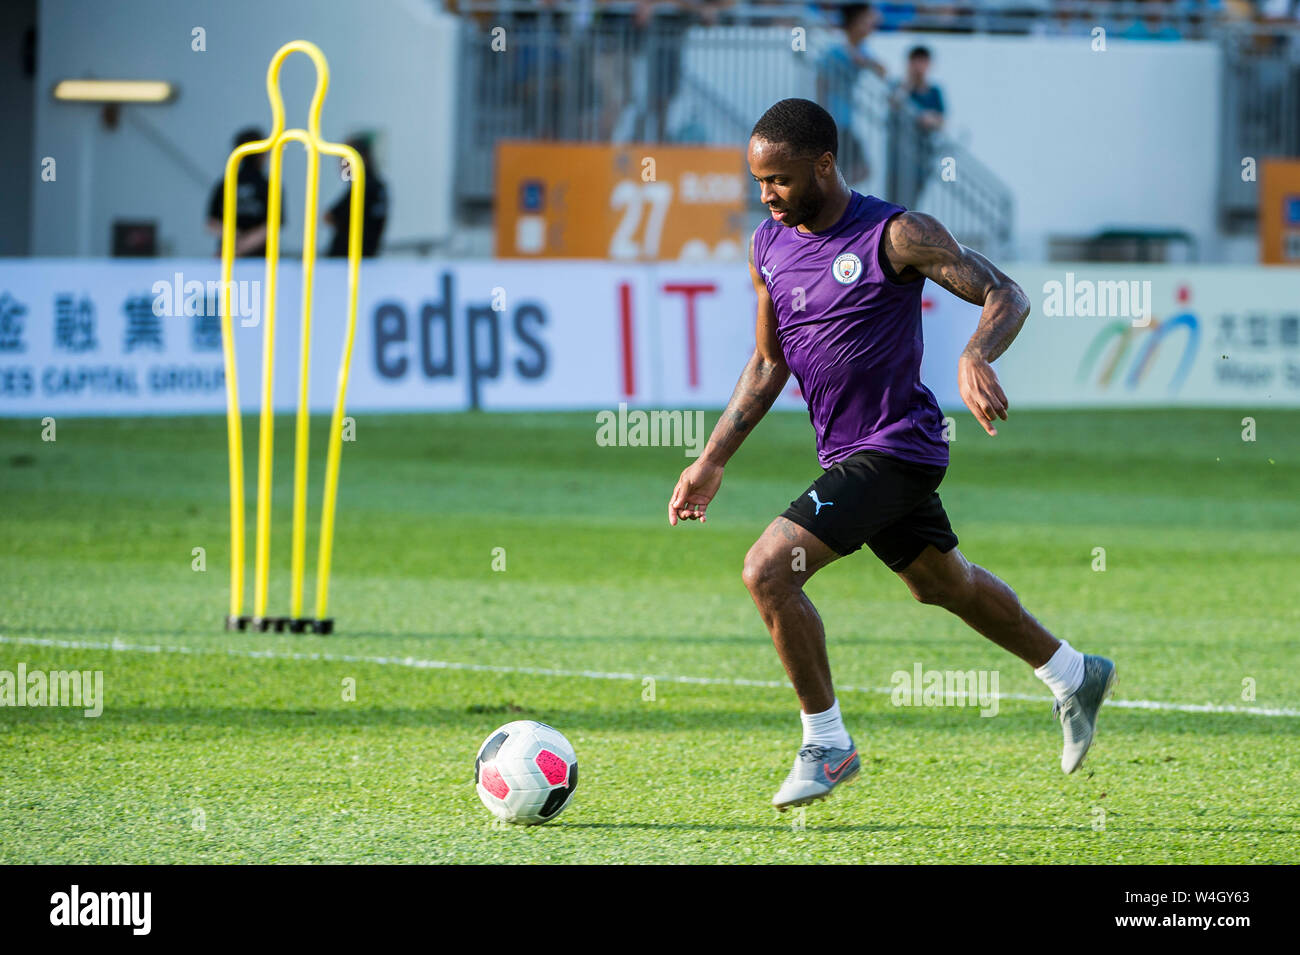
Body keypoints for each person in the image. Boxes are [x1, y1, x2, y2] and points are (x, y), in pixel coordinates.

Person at [667, 98, 1116, 811]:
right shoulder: (767, 248)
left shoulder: (896, 234)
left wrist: (975, 353)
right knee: (944, 585)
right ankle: (1071, 671)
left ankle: (827, 743)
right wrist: (712, 457)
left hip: (898, 446)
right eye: (759, 182)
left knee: (767, 571)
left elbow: (1007, 292)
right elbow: (765, 363)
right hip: (849, 450)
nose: (767, 196)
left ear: (823, 164)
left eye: (779, 179)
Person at [815, 3, 886, 187]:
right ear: (855, 22)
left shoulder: (860, 50)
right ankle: (827, 189)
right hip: (835, 120)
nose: (871, 24)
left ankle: (828, 189)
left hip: (845, 120)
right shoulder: (836, 50)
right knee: (859, 167)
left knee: (857, 168)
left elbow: (882, 70)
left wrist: (865, 61)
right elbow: (821, 81)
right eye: (867, 20)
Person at [206, 127, 283, 258]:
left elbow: (211, 222)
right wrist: (241, 244)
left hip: (243, 256)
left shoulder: (225, 182)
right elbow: (273, 225)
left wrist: (238, 245)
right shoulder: (266, 185)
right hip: (253, 258)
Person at [324, 137, 388, 258]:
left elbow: (330, 216)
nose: (342, 166)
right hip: (365, 257)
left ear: (362, 159)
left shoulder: (363, 187)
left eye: (345, 160)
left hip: (346, 260)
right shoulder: (378, 186)